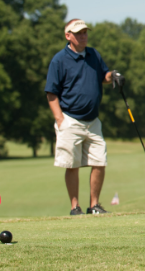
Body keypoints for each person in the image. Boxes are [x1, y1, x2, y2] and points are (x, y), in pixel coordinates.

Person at [45, 19, 121, 216]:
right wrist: (60, 119)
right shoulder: (59, 60)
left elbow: (103, 76)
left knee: (99, 161)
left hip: (93, 121)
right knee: (72, 165)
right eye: (79, 33)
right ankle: (75, 206)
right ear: (68, 36)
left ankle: (94, 205)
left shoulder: (93, 55)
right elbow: (51, 93)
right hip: (70, 119)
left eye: (85, 32)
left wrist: (113, 75)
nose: (83, 36)